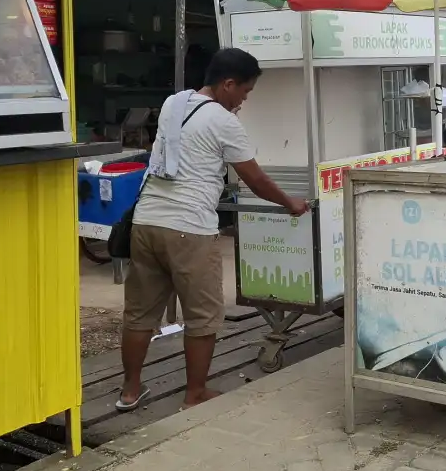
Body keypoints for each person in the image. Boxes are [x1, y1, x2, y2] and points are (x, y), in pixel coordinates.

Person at [118, 48, 308, 412]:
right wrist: (290, 203)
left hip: (146, 223)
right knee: (203, 316)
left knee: (139, 313)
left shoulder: (174, 104)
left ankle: (129, 391)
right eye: (245, 93)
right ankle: (195, 394)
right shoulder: (223, 122)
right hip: (190, 229)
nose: (243, 101)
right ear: (228, 84)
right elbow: (254, 178)